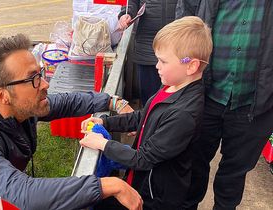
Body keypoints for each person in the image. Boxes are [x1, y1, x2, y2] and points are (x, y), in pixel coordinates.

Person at [0, 34, 142, 210]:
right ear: (2, 95)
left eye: (41, 73)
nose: (45, 84)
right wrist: (106, 185)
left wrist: (112, 101)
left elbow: (66, 103)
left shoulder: (15, 102)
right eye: (34, 78)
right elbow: (25, 193)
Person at [80, 16, 212, 209]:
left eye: (163, 61)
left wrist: (103, 144)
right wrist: (106, 123)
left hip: (156, 197)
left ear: (191, 66)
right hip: (142, 180)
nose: (157, 66)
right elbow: (142, 116)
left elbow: (143, 159)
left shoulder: (184, 115)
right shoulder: (171, 85)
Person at [178, 1, 273, 209]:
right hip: (205, 95)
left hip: (253, 103)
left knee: (233, 176)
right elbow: (184, 21)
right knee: (191, 167)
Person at [117, 0, 178, 104]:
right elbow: (131, 2)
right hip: (147, 44)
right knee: (149, 97)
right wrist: (127, 13)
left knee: (175, 96)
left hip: (176, 42)